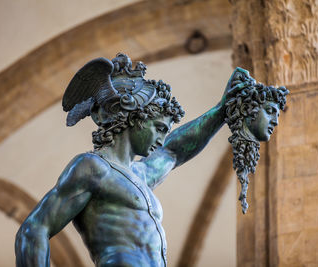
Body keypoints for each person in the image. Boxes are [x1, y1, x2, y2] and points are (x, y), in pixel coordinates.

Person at [15, 54, 288, 266]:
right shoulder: (92, 168)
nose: (162, 138)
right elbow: (34, 229)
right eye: (158, 128)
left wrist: (221, 110)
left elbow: (175, 151)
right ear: (134, 120)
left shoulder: (140, 175)